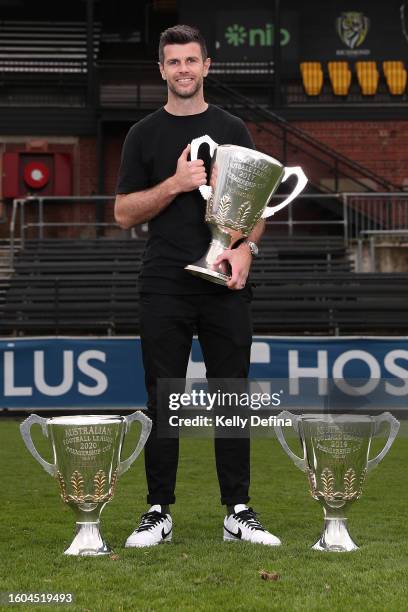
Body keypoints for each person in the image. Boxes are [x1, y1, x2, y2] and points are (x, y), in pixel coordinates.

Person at [114, 24, 281, 548]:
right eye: (174, 62)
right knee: (165, 398)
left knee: (230, 394)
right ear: (161, 70)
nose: (183, 70)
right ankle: (158, 511)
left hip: (224, 281)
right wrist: (176, 184)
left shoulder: (233, 126)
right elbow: (122, 213)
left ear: (207, 66)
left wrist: (245, 249)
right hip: (163, 280)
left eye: (192, 60)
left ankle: (237, 510)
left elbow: (253, 209)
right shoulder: (142, 134)